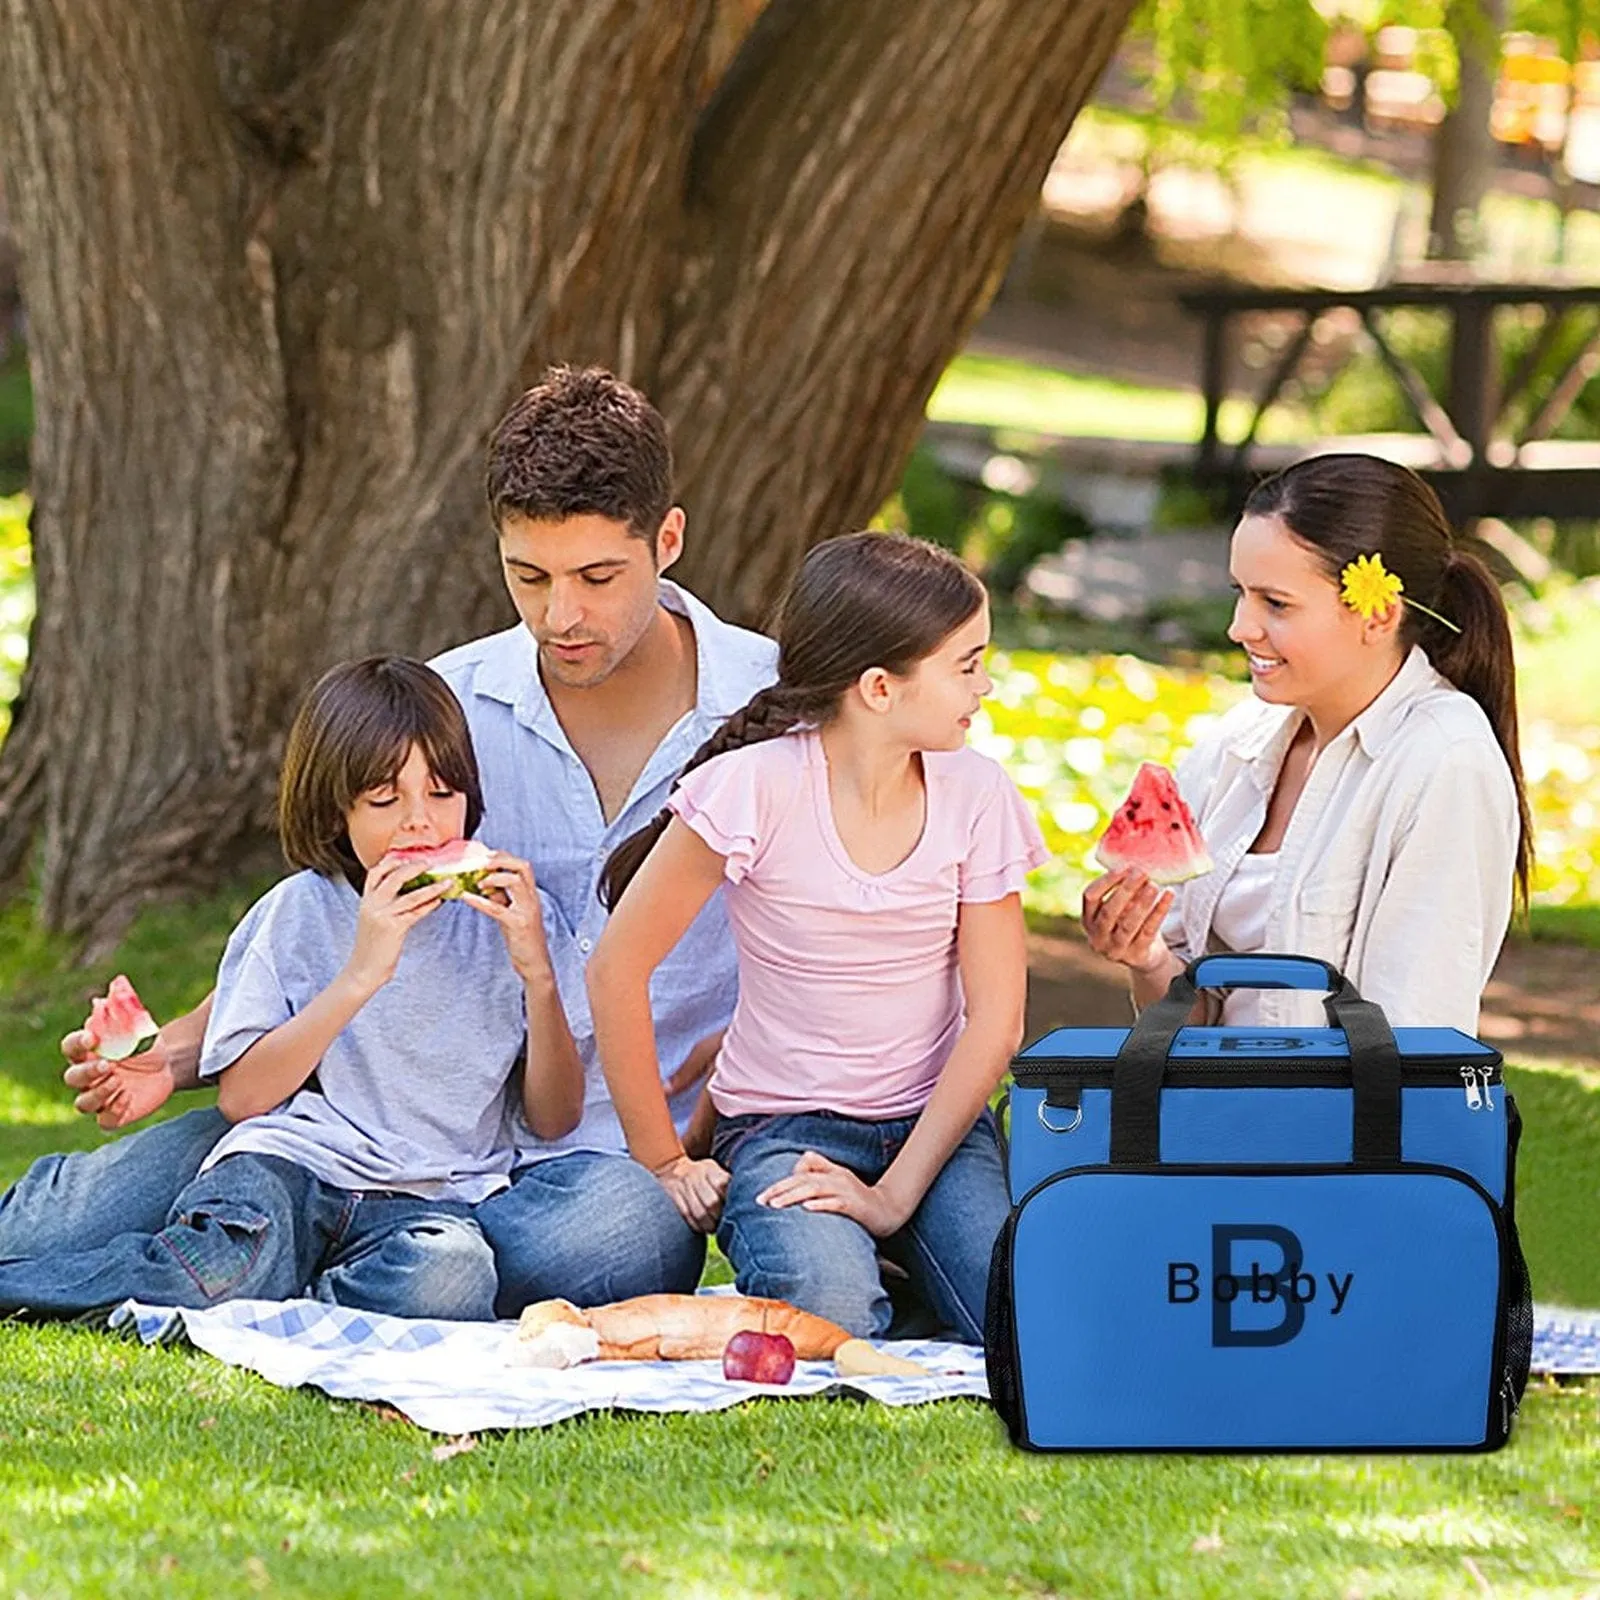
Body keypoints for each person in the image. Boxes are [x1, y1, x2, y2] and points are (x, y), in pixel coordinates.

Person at [5, 366, 777, 1314]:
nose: (559, 616)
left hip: (589, 1159)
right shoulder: (448, 709)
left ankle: (327, 1258)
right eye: (528, 577)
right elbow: (325, 917)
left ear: (668, 541)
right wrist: (169, 1056)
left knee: (626, 1243)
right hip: (358, 1116)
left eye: (597, 578)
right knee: (64, 1222)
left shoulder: (772, 714)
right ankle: (299, 1242)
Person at [0, 657, 583, 1318]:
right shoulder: (299, 912)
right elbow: (244, 1097)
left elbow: (554, 1117)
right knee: (216, 1272)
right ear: (337, 814)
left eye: (443, 793)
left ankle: (296, 1304)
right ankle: (30, 1283)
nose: (420, 823)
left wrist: (537, 975)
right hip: (290, 1169)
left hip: (430, 1199)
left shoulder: (515, 926)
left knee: (453, 1278)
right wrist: (361, 974)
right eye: (386, 800)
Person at [587, 532, 1049, 1342]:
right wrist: (664, 1159)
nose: (987, 685)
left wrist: (894, 1197)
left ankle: (898, 1251)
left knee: (1026, 1324)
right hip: (782, 1129)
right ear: (879, 687)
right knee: (830, 1316)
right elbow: (616, 971)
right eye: (966, 665)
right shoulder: (751, 788)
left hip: (934, 1126)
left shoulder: (978, 795)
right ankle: (860, 1266)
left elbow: (997, 1022)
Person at [1082, 452, 1530, 1032]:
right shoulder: (1237, 740)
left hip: (1346, 1121)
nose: (1239, 627)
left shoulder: (1444, 760)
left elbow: (1417, 1034)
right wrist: (1146, 958)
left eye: (1276, 603)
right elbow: (1201, 1016)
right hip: (1220, 1112)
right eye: (1241, 593)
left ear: (1378, 614)